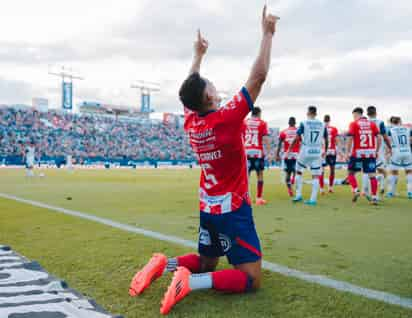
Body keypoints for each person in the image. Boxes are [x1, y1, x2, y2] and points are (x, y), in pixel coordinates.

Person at [129, 6, 279, 315]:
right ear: (208, 97)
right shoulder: (225, 119)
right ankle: (188, 283)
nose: (213, 85)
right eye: (209, 84)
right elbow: (259, 77)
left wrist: (197, 55)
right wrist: (266, 35)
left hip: (207, 204)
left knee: (207, 261)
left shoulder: (191, 119)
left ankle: (163, 265)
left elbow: (188, 92)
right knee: (251, 278)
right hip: (232, 208)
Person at [288, 106, 328, 206]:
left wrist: (289, 149)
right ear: (316, 113)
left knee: (298, 171)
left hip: (305, 150)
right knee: (315, 175)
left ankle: (298, 195)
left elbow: (297, 138)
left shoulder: (304, 123)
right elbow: (326, 139)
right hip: (317, 151)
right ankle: (313, 200)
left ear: (308, 113)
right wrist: (325, 151)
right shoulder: (322, 124)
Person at [345, 107, 380, 205]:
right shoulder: (372, 124)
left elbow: (350, 138)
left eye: (354, 116)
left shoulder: (354, 124)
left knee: (350, 173)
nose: (353, 117)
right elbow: (379, 137)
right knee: (372, 176)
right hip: (370, 153)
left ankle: (356, 190)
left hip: (358, 153)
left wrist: (347, 152)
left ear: (356, 114)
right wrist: (376, 151)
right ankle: (374, 197)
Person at [362, 106, 392, 196]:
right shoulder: (380, 123)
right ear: (376, 113)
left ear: (367, 114)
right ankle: (380, 187)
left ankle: (365, 191)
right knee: (381, 171)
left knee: (366, 171)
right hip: (378, 151)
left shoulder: (364, 123)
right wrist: (390, 147)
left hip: (366, 150)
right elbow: (385, 137)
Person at [244, 106, 271, 205]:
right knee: (259, 174)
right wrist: (268, 153)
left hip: (246, 151)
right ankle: (259, 198)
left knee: (246, 176)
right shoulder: (262, 123)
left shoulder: (245, 122)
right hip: (257, 152)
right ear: (259, 113)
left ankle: (245, 198)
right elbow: (266, 139)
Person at [386, 117, 412, 199]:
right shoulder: (408, 129)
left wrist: (389, 151)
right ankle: (410, 192)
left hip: (396, 151)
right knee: (409, 172)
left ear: (391, 122)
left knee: (393, 172)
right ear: (400, 121)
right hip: (407, 151)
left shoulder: (390, 130)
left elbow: (388, 140)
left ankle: (391, 192)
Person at [276, 117, 300, 197]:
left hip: (287, 155)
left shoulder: (283, 132)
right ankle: (296, 187)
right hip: (296, 155)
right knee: (297, 173)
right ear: (295, 123)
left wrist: (277, 154)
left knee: (288, 174)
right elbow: (303, 143)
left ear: (288, 123)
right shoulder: (299, 131)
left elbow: (279, 144)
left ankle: (289, 189)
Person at [320, 115, 339, 194]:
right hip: (331, 151)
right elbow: (336, 141)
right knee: (332, 170)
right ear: (329, 120)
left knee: (321, 170)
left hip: (323, 151)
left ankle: (321, 189)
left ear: (323, 120)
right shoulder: (334, 129)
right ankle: (330, 187)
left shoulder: (320, 128)